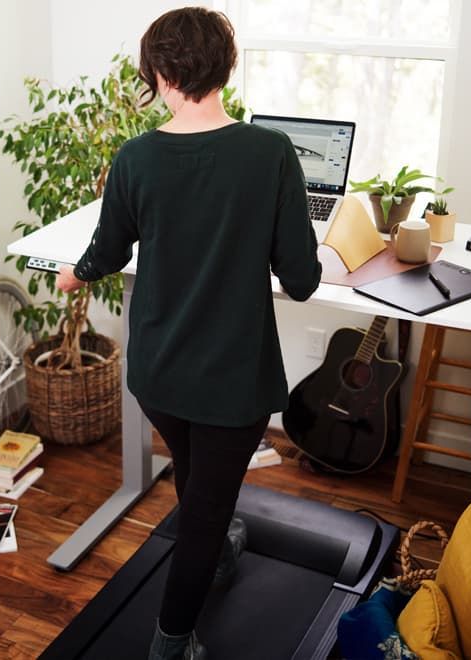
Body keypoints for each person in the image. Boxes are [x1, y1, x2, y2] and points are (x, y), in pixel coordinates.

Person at [55, 7, 321, 659]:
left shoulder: (136, 157)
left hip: (157, 374)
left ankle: (222, 551)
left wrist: (74, 275)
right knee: (203, 511)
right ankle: (171, 642)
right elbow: (303, 278)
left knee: (200, 483)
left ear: (161, 74)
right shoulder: (271, 153)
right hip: (232, 382)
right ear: (224, 69)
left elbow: (106, 252)